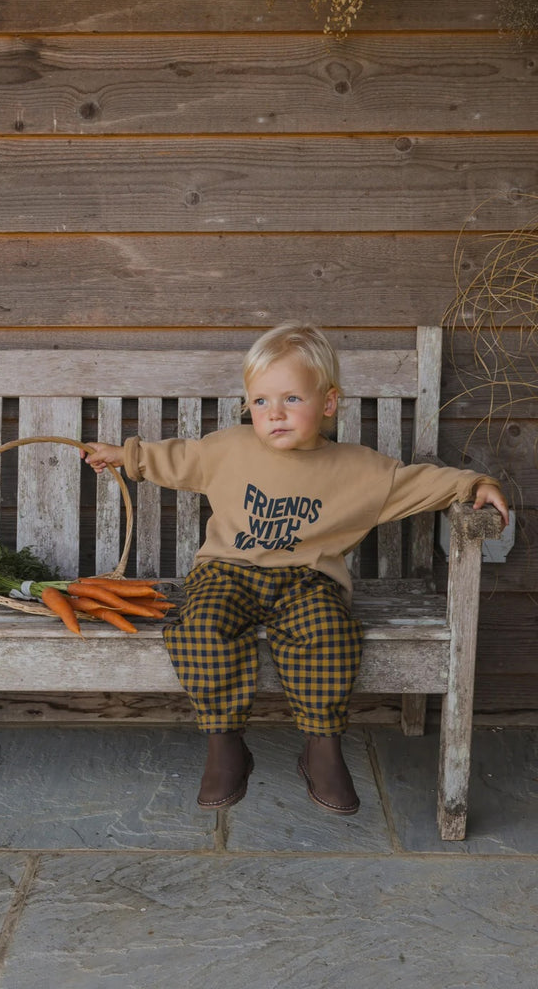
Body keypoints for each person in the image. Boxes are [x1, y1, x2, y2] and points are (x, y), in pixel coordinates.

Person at [82, 323, 509, 817]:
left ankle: (321, 748)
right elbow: (176, 457)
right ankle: (225, 745)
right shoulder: (229, 448)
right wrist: (125, 456)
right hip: (227, 572)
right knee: (201, 629)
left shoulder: (359, 469)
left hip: (309, 581)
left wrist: (474, 483)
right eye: (261, 401)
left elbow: (418, 483)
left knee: (330, 634)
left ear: (328, 403)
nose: (275, 413)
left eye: (291, 398)